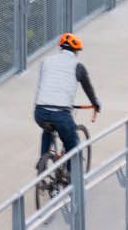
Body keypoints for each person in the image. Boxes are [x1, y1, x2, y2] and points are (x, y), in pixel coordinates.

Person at [33, 33, 101, 169]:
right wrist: (95, 103)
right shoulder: (78, 66)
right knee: (73, 144)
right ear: (75, 51)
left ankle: (43, 163)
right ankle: (72, 179)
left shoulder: (46, 62)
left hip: (40, 111)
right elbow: (88, 88)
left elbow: (46, 85)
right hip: (61, 113)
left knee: (48, 129)